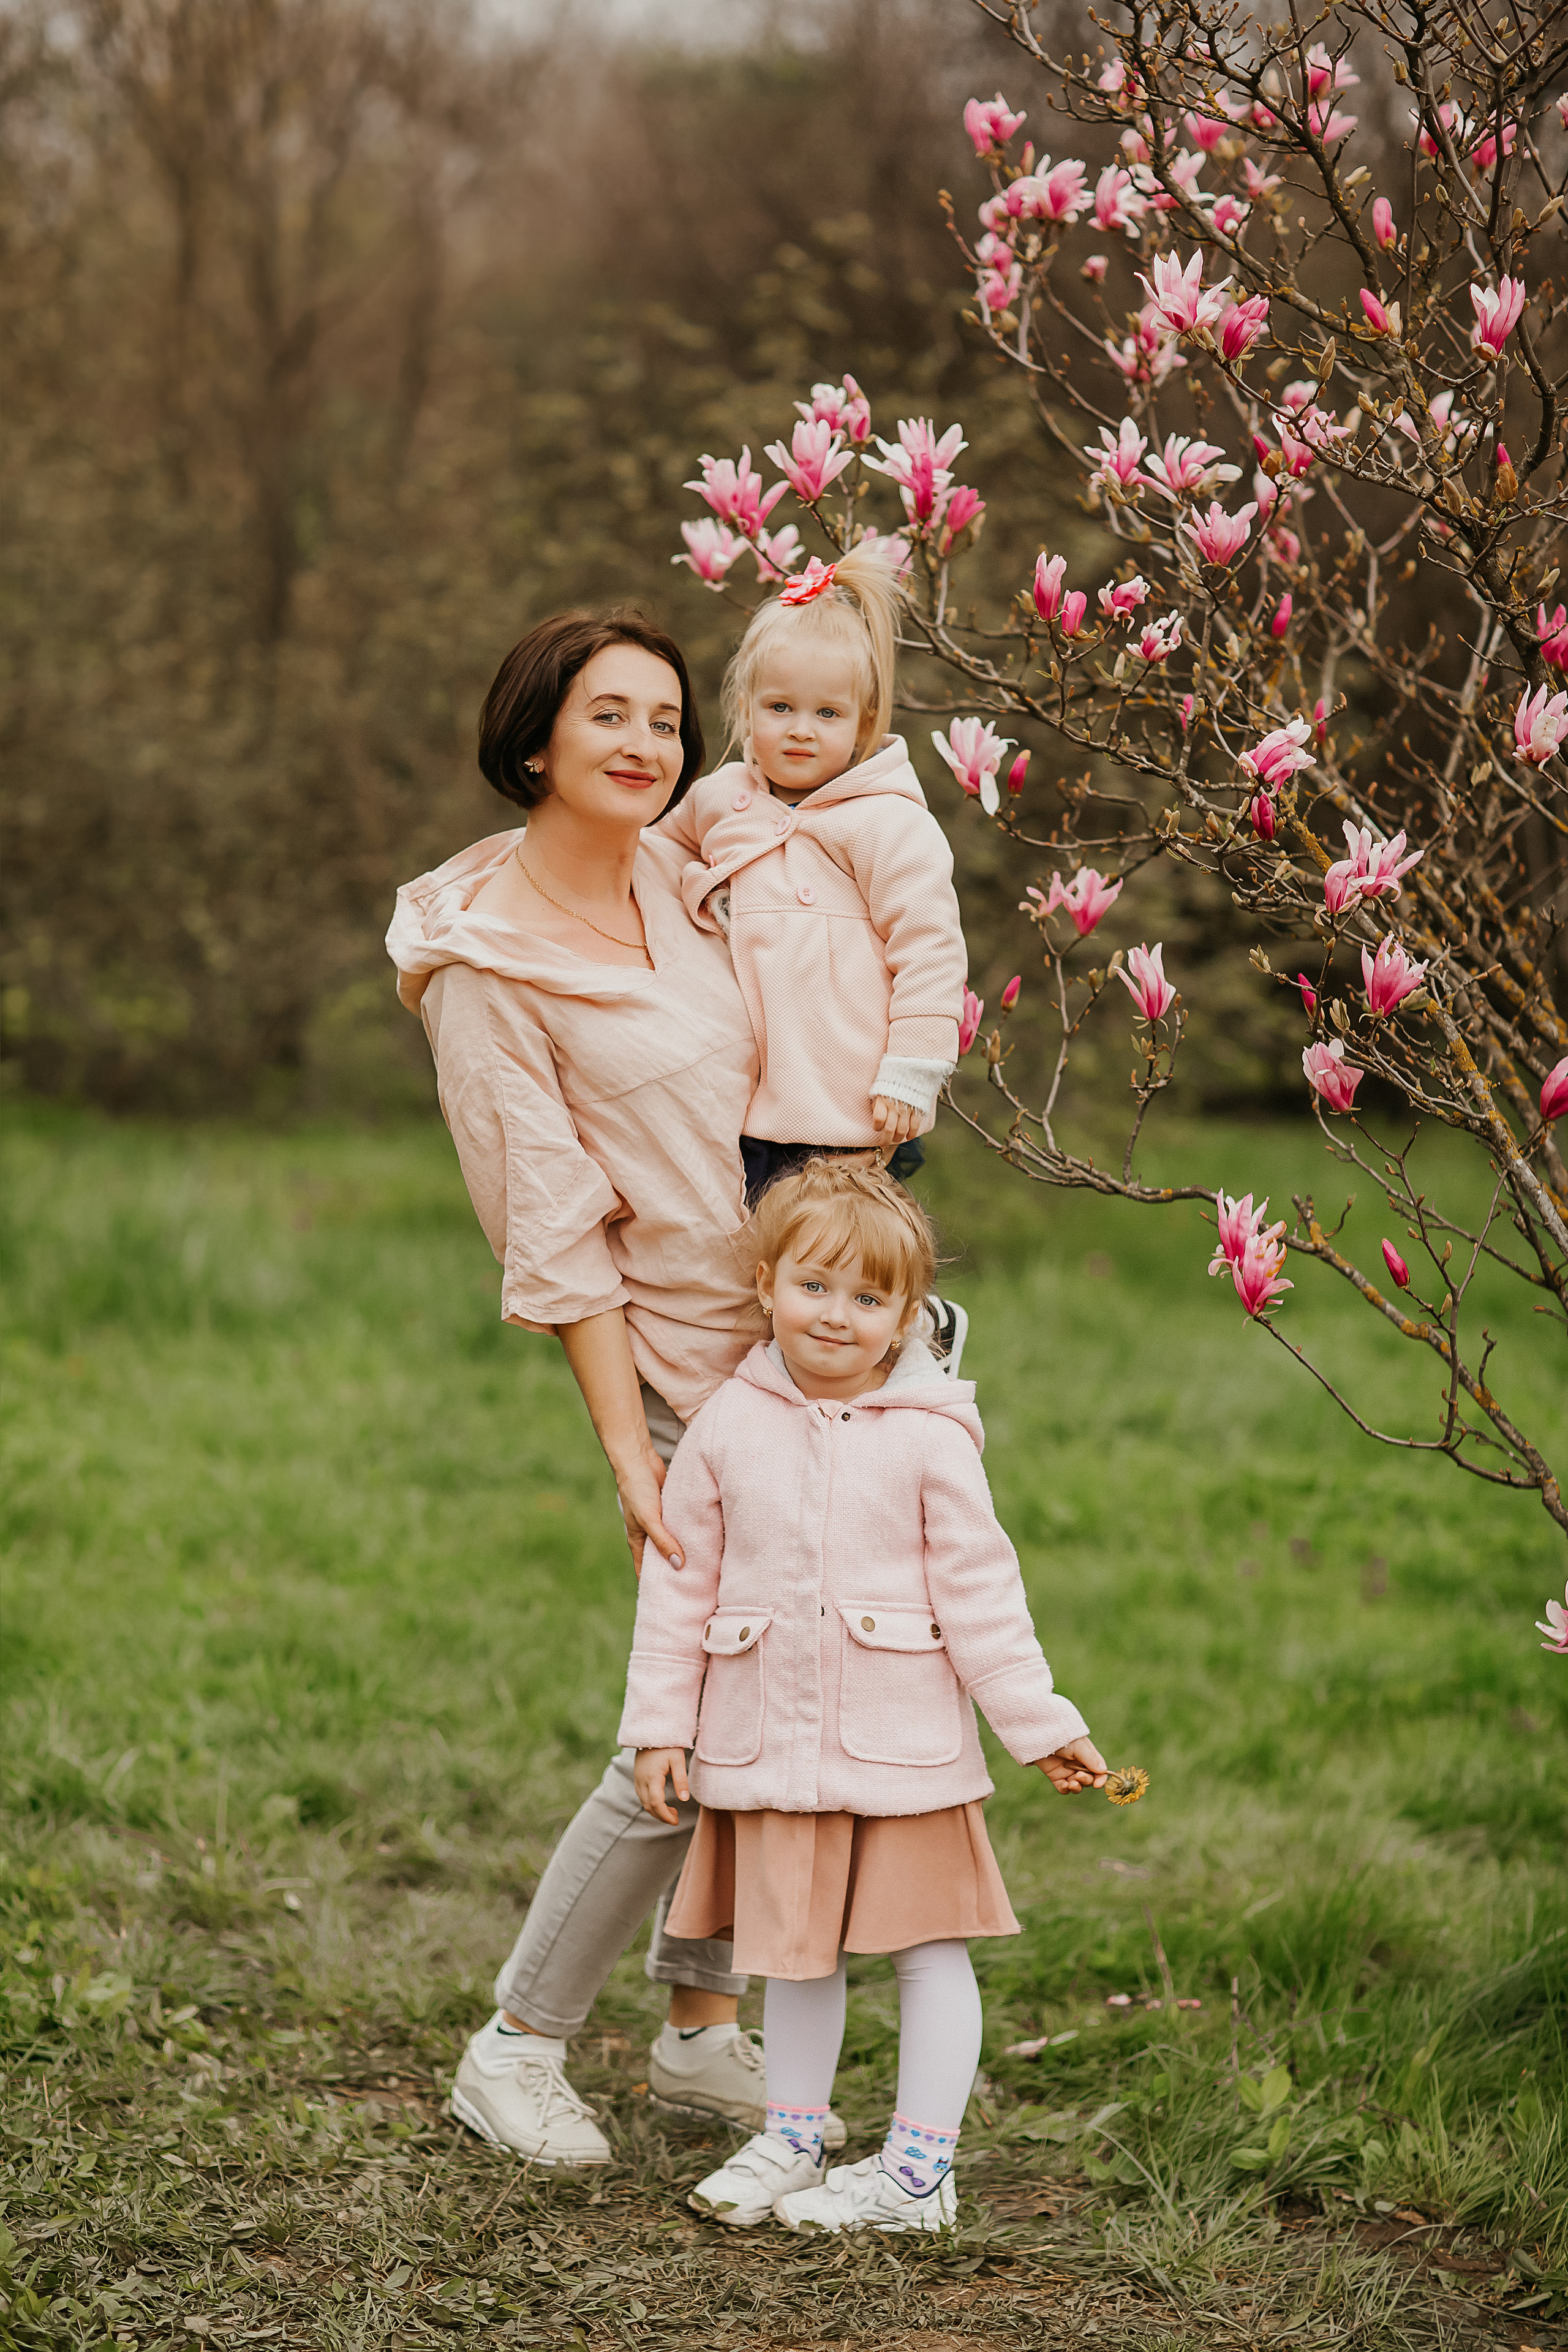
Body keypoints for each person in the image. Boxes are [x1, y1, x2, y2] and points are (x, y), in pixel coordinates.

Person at [388, 611, 796, 2166]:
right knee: (684, 1726)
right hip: (687, 1377)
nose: (644, 742)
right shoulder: (483, 967)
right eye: (607, 713)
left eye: (665, 718)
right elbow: (555, 1238)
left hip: (807, 1357)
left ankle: (696, 2031)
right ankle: (516, 2042)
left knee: (774, 1713)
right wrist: (633, 1449)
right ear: (534, 738)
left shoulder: (686, 878)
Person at [620, 1159, 1107, 2234]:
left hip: (905, 1751)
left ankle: (919, 2173)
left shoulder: (933, 1436)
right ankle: (792, 2138)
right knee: (793, 1949)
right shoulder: (725, 1427)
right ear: (765, 1287)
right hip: (772, 1745)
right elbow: (678, 1581)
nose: (837, 1316)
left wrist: (1041, 1724)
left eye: (869, 1298)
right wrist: (660, 1723)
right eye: (815, 1287)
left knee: (929, 1951)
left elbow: (983, 1595)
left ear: (906, 1318)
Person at [655, 546, 966, 1273]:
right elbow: (650, 856)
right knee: (757, 1267)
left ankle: (917, 1341)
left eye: (826, 713)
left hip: (847, 1107)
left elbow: (928, 947)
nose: (800, 729)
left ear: (862, 724)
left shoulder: (887, 824)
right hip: (746, 1098)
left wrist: (911, 1070)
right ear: (746, 710)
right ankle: (765, 1383)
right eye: (780, 708)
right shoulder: (720, 801)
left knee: (841, 1264)